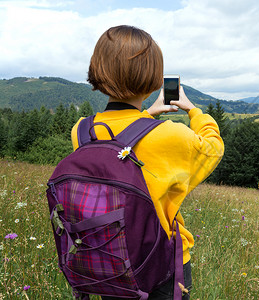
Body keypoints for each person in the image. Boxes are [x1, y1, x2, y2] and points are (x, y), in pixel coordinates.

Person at [71, 25, 224, 300]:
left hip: (109, 257)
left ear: (97, 69)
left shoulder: (82, 130)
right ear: (153, 76)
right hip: (162, 263)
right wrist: (192, 109)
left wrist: (148, 113)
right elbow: (213, 148)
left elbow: (119, 138)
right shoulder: (171, 135)